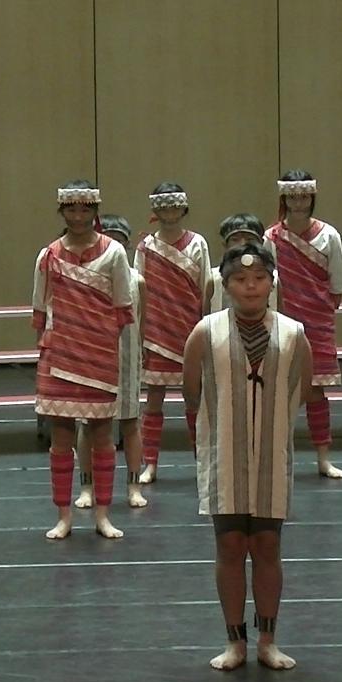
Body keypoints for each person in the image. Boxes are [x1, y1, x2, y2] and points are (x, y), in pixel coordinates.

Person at [184, 241, 315, 672]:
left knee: (267, 545)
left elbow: (303, 389)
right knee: (229, 545)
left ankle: (268, 640)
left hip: (272, 456)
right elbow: (191, 392)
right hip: (224, 455)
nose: (250, 286)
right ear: (225, 285)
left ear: (272, 282)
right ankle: (234, 641)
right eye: (240, 279)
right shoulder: (205, 332)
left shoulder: (293, 334)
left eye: (259, 278)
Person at [32, 182, 135, 540]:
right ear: (62, 212)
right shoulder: (48, 255)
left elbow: (122, 306)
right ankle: (64, 516)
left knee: (102, 436)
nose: (78, 216)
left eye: (85, 209)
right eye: (71, 209)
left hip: (99, 354)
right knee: (61, 437)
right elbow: (40, 309)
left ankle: (103, 515)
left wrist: (98, 343)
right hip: (58, 355)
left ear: (95, 211)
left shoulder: (115, 253)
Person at [267, 171, 342, 478]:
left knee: (316, 392)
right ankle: (277, 457)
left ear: (311, 197)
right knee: (278, 392)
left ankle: (323, 458)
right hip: (282, 321)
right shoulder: (271, 238)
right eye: (292, 196)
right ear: (284, 198)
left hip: (318, 320)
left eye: (303, 196)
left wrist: (320, 309)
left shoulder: (329, 235)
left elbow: (337, 282)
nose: (298, 202)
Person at [135, 182, 212, 485]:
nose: (169, 212)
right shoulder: (146, 247)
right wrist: (142, 334)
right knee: (154, 399)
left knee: (194, 399)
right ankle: (150, 464)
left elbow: (206, 287)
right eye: (163, 206)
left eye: (174, 206)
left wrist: (205, 328)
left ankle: (201, 460)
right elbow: (138, 288)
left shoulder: (198, 243)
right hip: (156, 333)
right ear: (156, 209)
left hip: (190, 330)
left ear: (183, 208)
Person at [74, 215, 148, 511]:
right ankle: (86, 486)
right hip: (93, 359)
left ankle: (133, 484)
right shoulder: (85, 275)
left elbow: (142, 321)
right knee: (87, 425)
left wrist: (141, 353)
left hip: (126, 358)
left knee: (130, 423)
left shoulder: (136, 280)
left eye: (120, 239)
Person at [207, 213, 265, 313]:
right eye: (235, 240)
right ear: (225, 245)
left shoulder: (273, 279)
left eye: (250, 239)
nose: (242, 244)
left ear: (261, 243)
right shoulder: (214, 280)